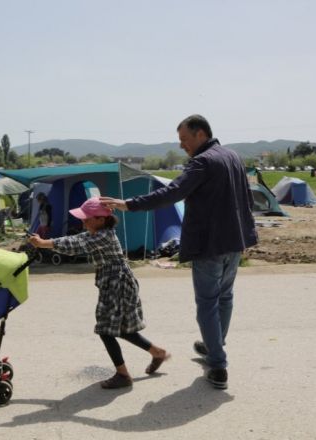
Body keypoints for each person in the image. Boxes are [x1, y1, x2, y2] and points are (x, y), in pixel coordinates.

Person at [100, 115, 257, 390]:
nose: (182, 145)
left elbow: (172, 192)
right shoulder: (233, 156)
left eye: (184, 139)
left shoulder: (203, 162)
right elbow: (246, 197)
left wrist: (128, 204)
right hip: (234, 242)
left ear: (200, 134)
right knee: (225, 298)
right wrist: (247, 234)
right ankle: (213, 348)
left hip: (209, 244)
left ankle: (218, 366)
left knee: (208, 303)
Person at [29, 197, 170, 389]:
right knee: (121, 329)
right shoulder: (101, 233)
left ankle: (122, 375)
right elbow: (79, 239)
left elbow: (76, 243)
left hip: (117, 285)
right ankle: (157, 352)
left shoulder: (102, 237)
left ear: (101, 220)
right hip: (116, 283)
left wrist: (44, 243)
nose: (83, 222)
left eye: (87, 219)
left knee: (106, 330)